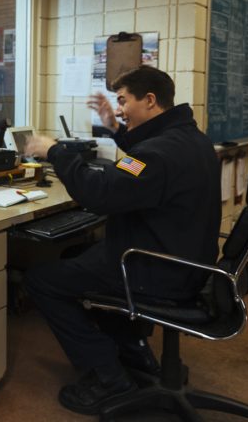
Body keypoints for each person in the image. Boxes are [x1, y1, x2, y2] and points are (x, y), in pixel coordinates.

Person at [24, 66, 221, 416]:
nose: (118, 109)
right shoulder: (190, 139)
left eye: (122, 101)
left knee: (42, 280)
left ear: (149, 100)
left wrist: (54, 151)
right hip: (186, 262)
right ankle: (134, 352)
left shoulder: (157, 154)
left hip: (152, 268)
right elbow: (141, 163)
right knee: (80, 252)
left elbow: (100, 194)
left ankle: (108, 376)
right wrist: (116, 130)